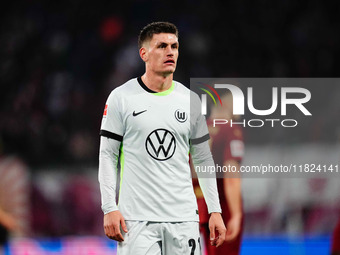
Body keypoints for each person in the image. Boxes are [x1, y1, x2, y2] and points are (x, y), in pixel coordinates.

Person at [98, 22, 226, 254]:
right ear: (144, 53)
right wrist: (109, 207)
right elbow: (107, 155)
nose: (170, 52)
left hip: (184, 219)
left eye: (174, 46)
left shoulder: (190, 100)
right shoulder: (121, 98)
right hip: (136, 221)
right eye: (162, 46)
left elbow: (203, 160)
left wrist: (214, 210)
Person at [194, 91, 244, 255]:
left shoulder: (196, 128)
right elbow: (230, 175)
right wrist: (236, 214)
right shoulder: (230, 130)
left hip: (195, 208)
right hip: (221, 207)